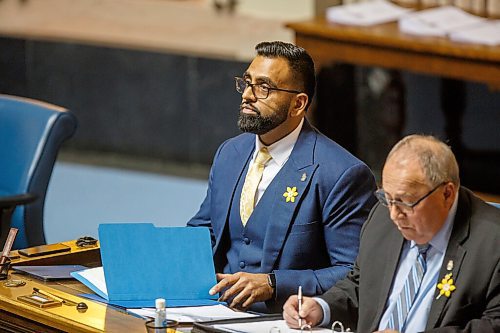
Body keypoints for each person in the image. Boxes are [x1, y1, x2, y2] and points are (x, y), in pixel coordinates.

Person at [187, 41, 376, 313]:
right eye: (247, 82)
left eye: (263, 87)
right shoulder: (230, 153)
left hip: (282, 320)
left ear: (298, 104)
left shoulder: (342, 174)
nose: (248, 95)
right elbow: (206, 231)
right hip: (213, 309)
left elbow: (353, 273)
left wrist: (274, 284)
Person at [283, 134, 500, 332]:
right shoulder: (382, 216)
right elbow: (359, 284)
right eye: (387, 197)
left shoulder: (492, 243)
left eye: (406, 202)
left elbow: (494, 325)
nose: (395, 214)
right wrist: (322, 307)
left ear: (447, 193)